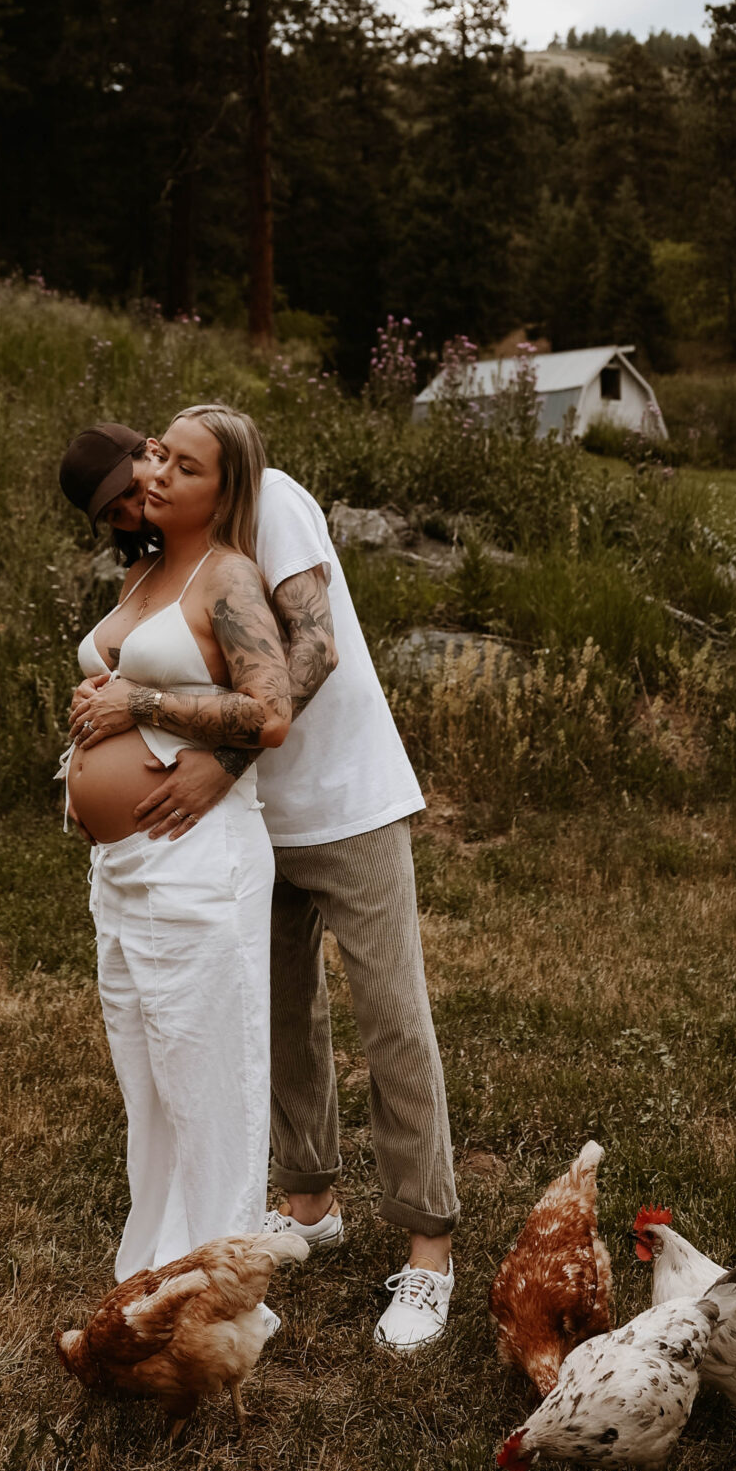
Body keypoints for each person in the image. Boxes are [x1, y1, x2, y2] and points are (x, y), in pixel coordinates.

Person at [60, 413, 460, 1352]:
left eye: (140, 483)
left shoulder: (269, 500)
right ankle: (309, 1201)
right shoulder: (168, 548)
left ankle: (428, 1249)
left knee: (390, 1013)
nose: (135, 509)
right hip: (240, 831)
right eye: (116, 510)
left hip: (340, 799)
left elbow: (308, 651)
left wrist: (218, 765)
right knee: (279, 1015)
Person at [65, 407, 292, 1284]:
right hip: (122, 868)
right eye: (157, 454)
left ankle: (217, 1285)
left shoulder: (227, 577)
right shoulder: (149, 572)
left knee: (209, 1082)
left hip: (199, 858)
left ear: (223, 492)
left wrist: (141, 708)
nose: (154, 475)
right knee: (149, 1084)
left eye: (183, 469)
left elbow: (269, 712)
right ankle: (153, 1273)